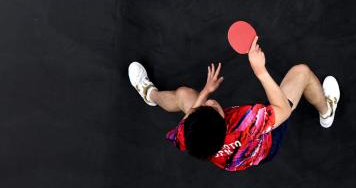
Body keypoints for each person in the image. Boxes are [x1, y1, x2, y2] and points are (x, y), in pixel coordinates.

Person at [128, 36, 340, 173]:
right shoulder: (247, 121)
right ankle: (327, 111)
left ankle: (150, 94)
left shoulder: (190, 137)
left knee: (183, 94)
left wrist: (205, 91)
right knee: (301, 73)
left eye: (201, 106)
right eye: (213, 107)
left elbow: (191, 115)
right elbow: (282, 110)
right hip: (264, 142)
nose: (210, 101)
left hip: (231, 158)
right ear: (225, 121)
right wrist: (260, 71)